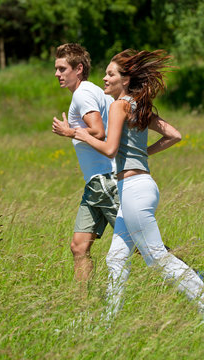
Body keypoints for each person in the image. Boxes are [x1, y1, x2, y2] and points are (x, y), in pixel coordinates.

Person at [74, 49, 204, 316]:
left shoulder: (119, 105)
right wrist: (143, 153)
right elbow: (174, 135)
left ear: (125, 79)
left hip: (133, 189)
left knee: (156, 256)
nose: (104, 78)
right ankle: (106, 323)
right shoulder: (138, 106)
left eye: (110, 74)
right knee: (116, 257)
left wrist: (79, 134)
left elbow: (110, 149)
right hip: (139, 186)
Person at [52, 43, 120, 284]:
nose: (57, 74)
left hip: (106, 179)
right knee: (78, 247)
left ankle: (194, 278)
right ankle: (83, 310)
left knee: (141, 246)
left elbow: (98, 132)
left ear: (78, 68)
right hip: (95, 184)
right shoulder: (91, 91)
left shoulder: (82, 94)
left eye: (62, 68)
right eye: (57, 69)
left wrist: (69, 132)